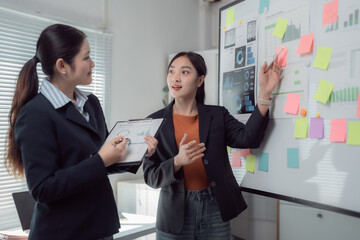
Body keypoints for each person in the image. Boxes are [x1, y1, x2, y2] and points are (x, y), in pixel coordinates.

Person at [4, 24, 157, 240]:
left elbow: (103, 161)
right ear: (62, 66)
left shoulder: (90, 103)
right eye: (86, 58)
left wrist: (137, 151)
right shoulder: (35, 114)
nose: (92, 63)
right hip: (64, 234)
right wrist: (101, 160)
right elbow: (43, 188)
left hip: (99, 228)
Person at [143, 51, 282, 239]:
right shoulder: (154, 122)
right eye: (171, 72)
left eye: (184, 72)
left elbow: (248, 139)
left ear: (199, 81)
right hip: (174, 213)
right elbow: (151, 177)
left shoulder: (217, 115)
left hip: (214, 207)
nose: (175, 78)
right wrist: (177, 161)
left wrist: (265, 94)